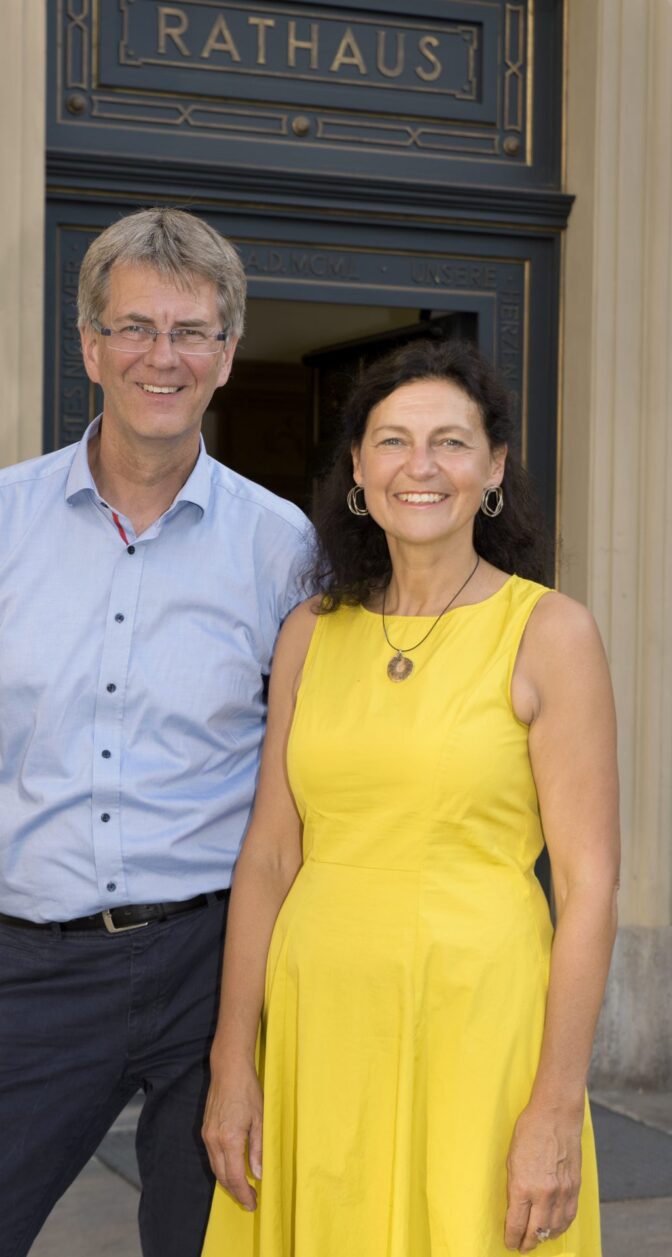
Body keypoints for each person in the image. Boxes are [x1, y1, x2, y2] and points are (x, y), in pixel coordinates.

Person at [0, 207, 311, 1257]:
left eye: (189, 332)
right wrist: (47, 852)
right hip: (39, 969)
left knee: (208, 1244)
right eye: (133, 328)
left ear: (227, 353)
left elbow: (297, 770)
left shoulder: (282, 548)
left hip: (218, 968)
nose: (159, 357)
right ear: (88, 344)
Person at [200, 339, 620, 1256]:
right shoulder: (311, 632)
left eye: (451, 442)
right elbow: (270, 854)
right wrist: (235, 1058)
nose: (420, 466)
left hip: (481, 1030)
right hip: (320, 1030)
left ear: (494, 466)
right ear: (357, 467)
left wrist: (556, 1104)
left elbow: (589, 888)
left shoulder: (550, 632)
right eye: (392, 441)